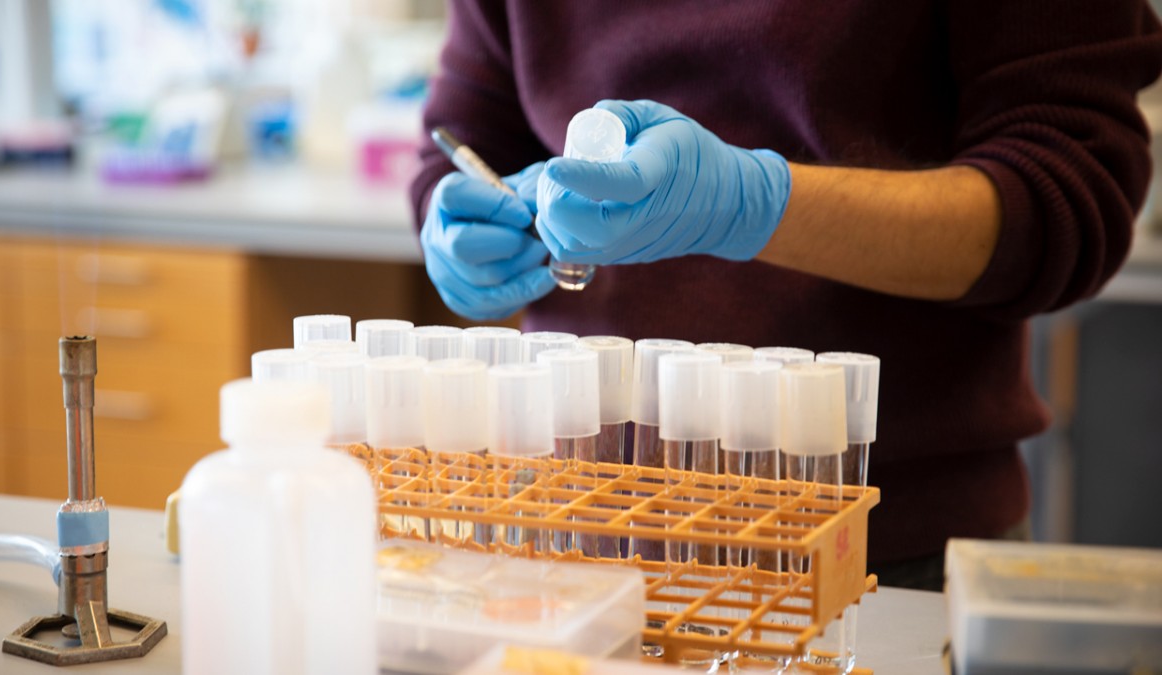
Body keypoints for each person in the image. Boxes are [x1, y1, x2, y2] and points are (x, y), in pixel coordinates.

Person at [409, 1, 1162, 589]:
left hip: (883, 550)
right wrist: (455, 220)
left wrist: (760, 204)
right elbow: (463, 135)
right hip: (577, 532)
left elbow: (1067, 190)